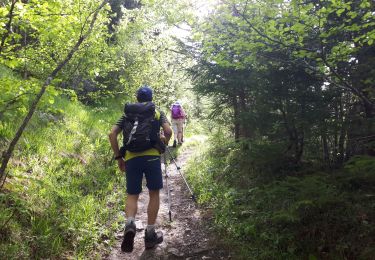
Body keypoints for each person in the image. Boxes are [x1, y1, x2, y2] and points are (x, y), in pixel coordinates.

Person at [108, 86, 172, 252]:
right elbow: (168, 130)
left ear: (137, 99)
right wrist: (164, 141)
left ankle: (130, 224)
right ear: (150, 99)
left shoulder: (127, 114)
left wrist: (118, 157)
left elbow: (112, 134)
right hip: (151, 157)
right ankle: (150, 235)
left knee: (132, 194)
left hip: (131, 157)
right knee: (154, 193)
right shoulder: (156, 111)